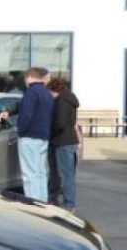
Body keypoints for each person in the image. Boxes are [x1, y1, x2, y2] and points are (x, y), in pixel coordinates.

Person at [8, 66, 53, 202]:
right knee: (40, 173)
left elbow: (26, 115)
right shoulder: (46, 93)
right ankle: (42, 202)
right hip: (43, 137)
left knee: (29, 174)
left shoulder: (31, 92)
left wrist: (20, 131)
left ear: (29, 77)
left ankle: (32, 204)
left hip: (29, 137)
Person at [47, 77, 80, 212]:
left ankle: (69, 204)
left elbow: (59, 123)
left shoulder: (61, 101)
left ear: (55, 90)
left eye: (50, 92)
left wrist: (50, 132)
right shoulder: (70, 99)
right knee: (67, 173)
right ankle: (60, 199)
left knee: (66, 175)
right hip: (68, 140)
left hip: (62, 141)